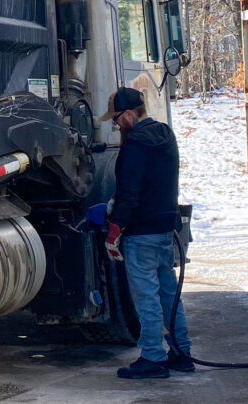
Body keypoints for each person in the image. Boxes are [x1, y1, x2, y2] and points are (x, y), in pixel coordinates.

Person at [100, 87, 194, 379]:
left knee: (146, 297)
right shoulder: (165, 136)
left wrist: (114, 229)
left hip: (140, 233)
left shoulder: (134, 145)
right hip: (166, 229)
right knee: (168, 294)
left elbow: (130, 193)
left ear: (129, 114)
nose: (115, 125)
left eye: (117, 119)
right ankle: (181, 353)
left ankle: (152, 357)